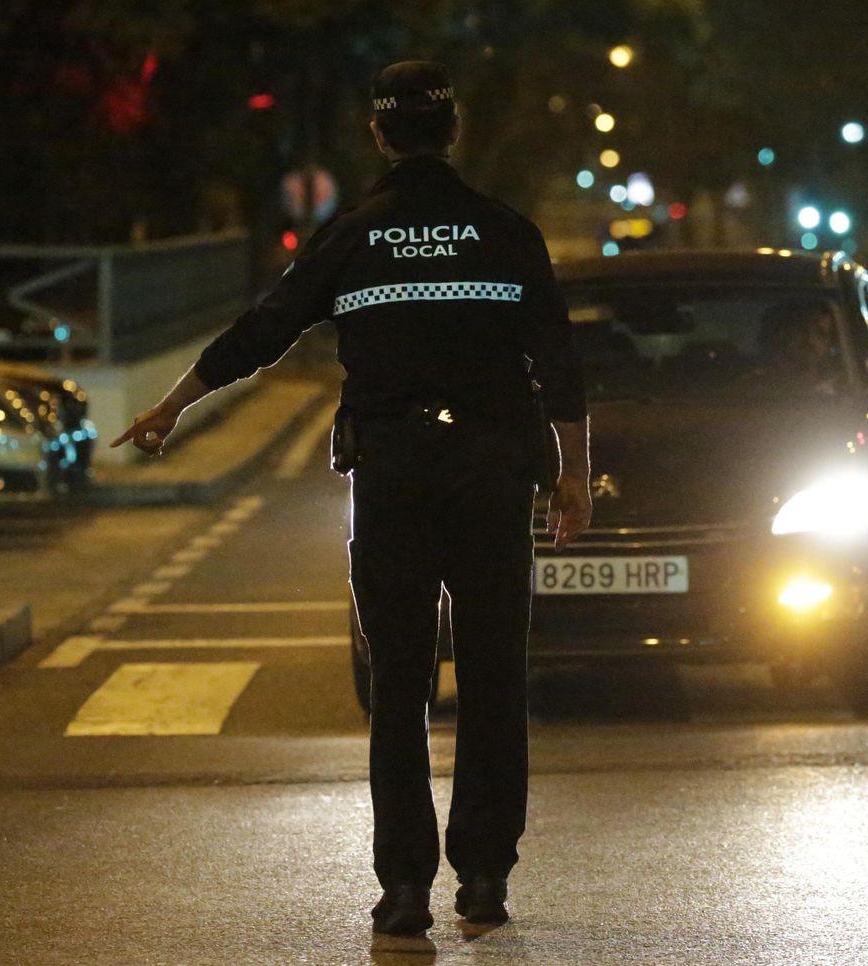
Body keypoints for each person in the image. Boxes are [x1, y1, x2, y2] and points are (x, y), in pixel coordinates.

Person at [111, 61, 592, 936]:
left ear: (379, 135)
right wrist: (570, 475)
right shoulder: (506, 233)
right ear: (455, 131)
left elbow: (263, 330)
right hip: (492, 477)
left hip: (395, 478)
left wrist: (171, 407)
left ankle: (404, 890)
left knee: (400, 683)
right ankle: (484, 879)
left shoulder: (352, 236)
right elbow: (559, 362)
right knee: (492, 681)